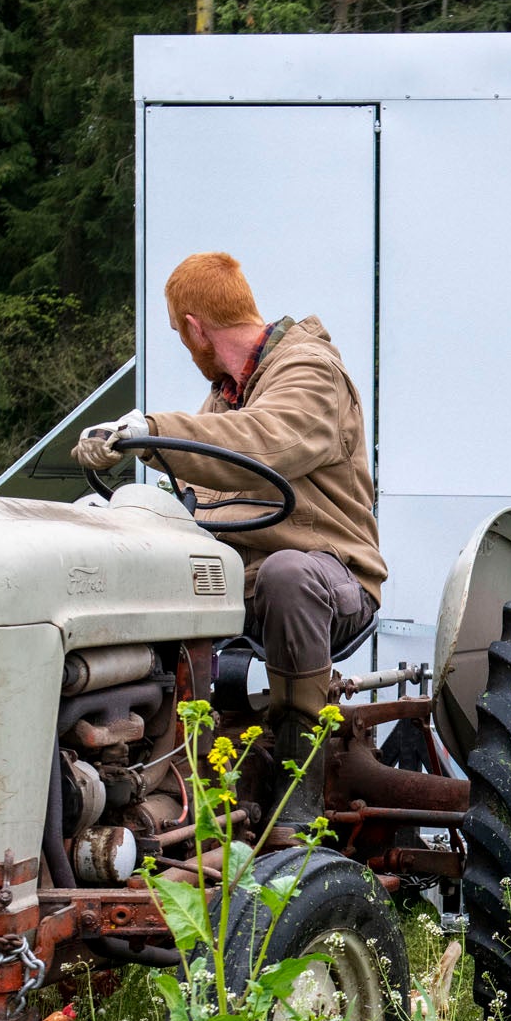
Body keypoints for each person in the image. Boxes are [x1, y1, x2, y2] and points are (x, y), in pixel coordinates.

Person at [72, 252, 384, 738]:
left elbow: (264, 442)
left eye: (181, 336)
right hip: (239, 580)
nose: (187, 346)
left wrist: (153, 432)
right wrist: (114, 521)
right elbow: (193, 490)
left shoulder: (311, 372)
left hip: (328, 577)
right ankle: (150, 742)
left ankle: (298, 765)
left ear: (196, 329)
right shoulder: (225, 395)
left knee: (289, 573)